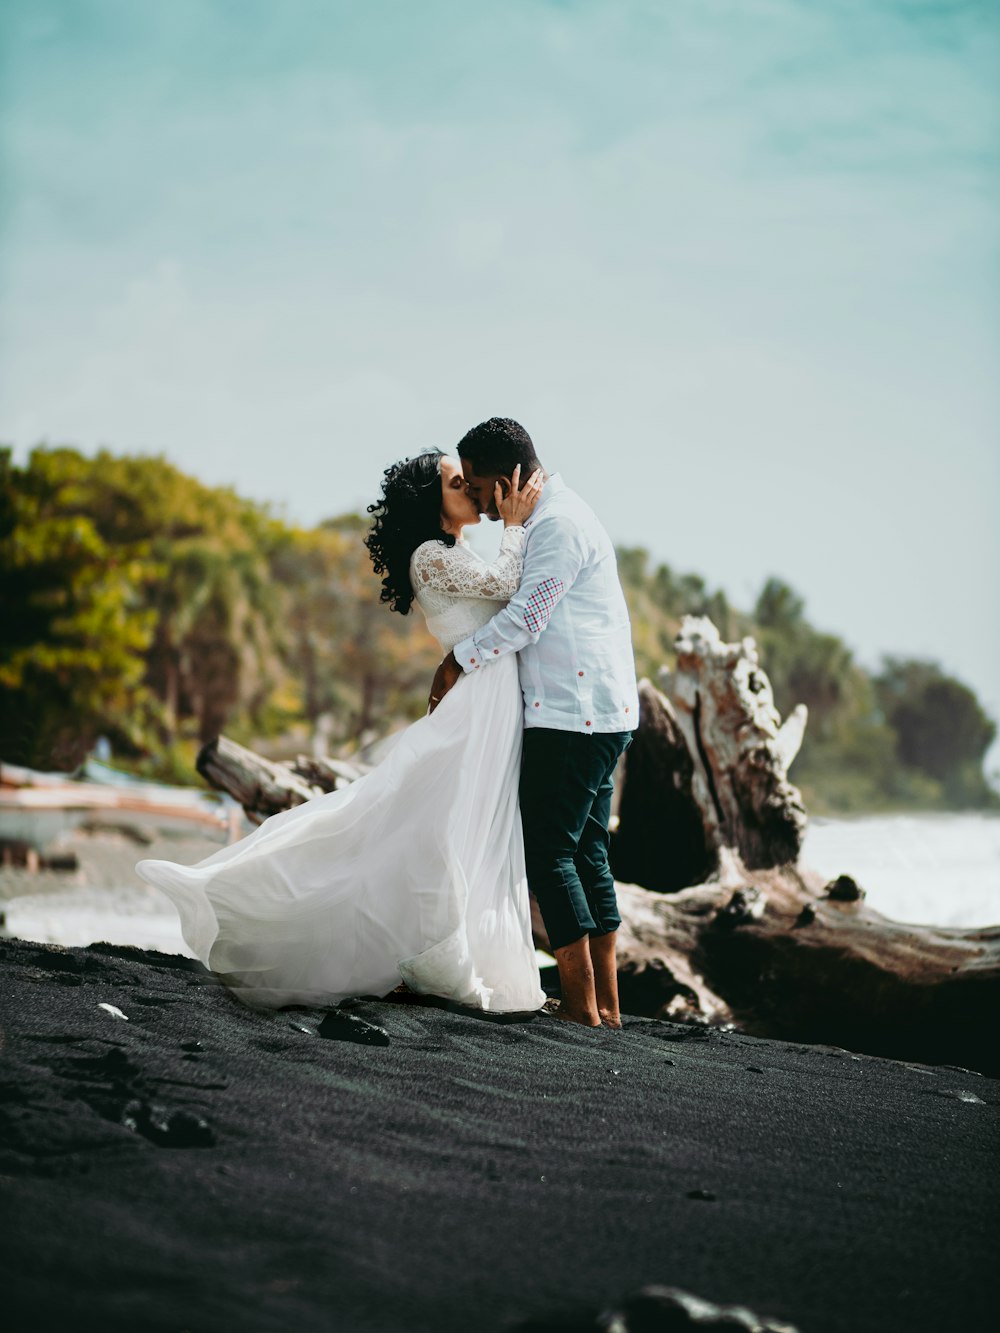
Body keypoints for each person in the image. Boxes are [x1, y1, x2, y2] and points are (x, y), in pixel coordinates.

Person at [135, 449, 547, 1015]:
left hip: (491, 700)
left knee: (463, 829)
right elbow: (509, 581)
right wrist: (518, 526)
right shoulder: (430, 556)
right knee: (418, 825)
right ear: (433, 502)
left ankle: (453, 952)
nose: (475, 489)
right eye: (459, 483)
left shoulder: (455, 550)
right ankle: (269, 907)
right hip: (474, 707)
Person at [430, 418, 639, 1028]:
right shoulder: (562, 515)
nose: (478, 501)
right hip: (599, 711)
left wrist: (455, 663)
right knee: (588, 853)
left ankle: (579, 1006)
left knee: (550, 854)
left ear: (506, 480)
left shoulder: (557, 526)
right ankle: (607, 1007)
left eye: (477, 485)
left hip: (575, 716)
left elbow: (527, 617)